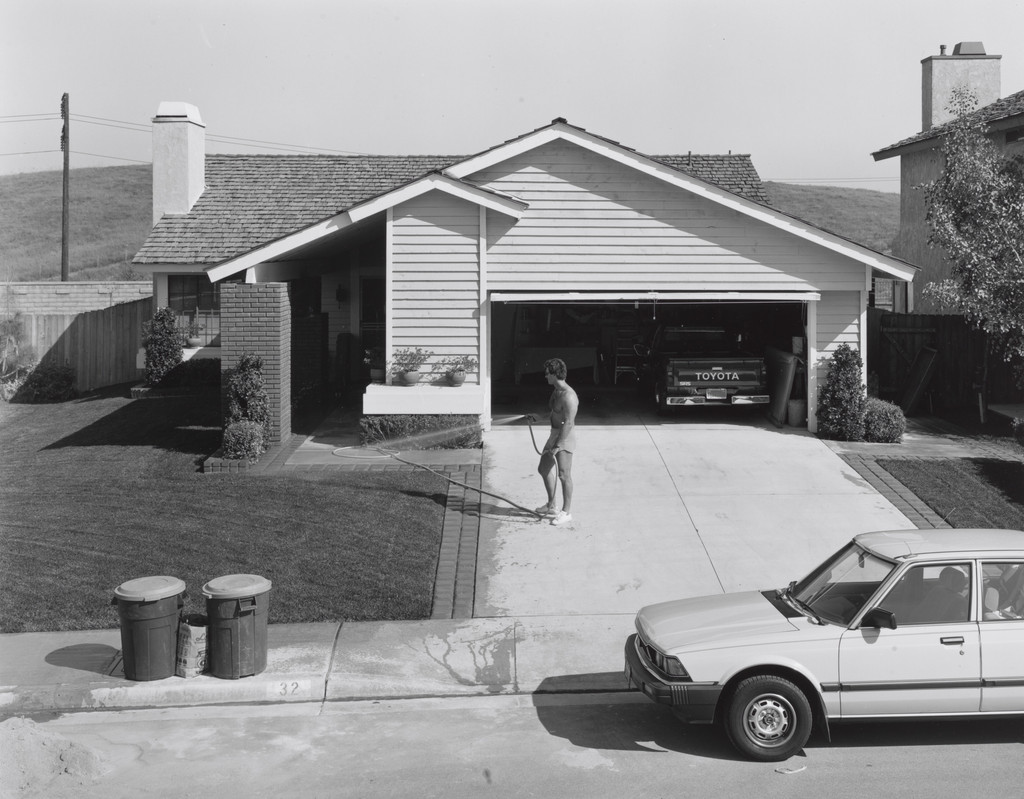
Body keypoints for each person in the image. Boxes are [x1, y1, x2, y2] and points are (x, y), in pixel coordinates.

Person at [535, 357, 579, 526]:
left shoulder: (569, 396)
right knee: (543, 468)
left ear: (555, 374)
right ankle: (552, 505)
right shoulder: (556, 391)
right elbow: (554, 413)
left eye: (547, 373)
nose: (545, 376)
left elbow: (568, 423)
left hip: (565, 437)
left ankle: (566, 512)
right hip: (554, 434)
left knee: (563, 474)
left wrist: (558, 445)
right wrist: (538, 417)